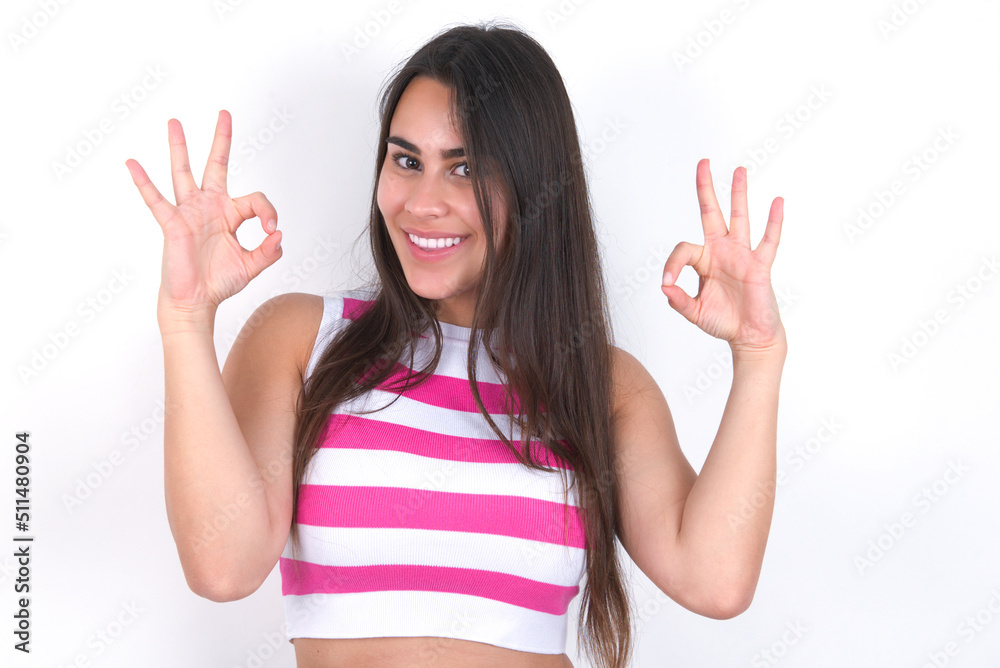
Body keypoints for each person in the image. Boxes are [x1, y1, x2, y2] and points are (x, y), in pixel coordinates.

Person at [125, 21, 786, 668]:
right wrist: (185, 319)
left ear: (534, 190)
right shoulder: (304, 340)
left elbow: (715, 581)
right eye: (406, 160)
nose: (422, 202)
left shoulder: (601, 385)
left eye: (464, 168)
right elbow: (223, 565)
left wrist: (758, 356)